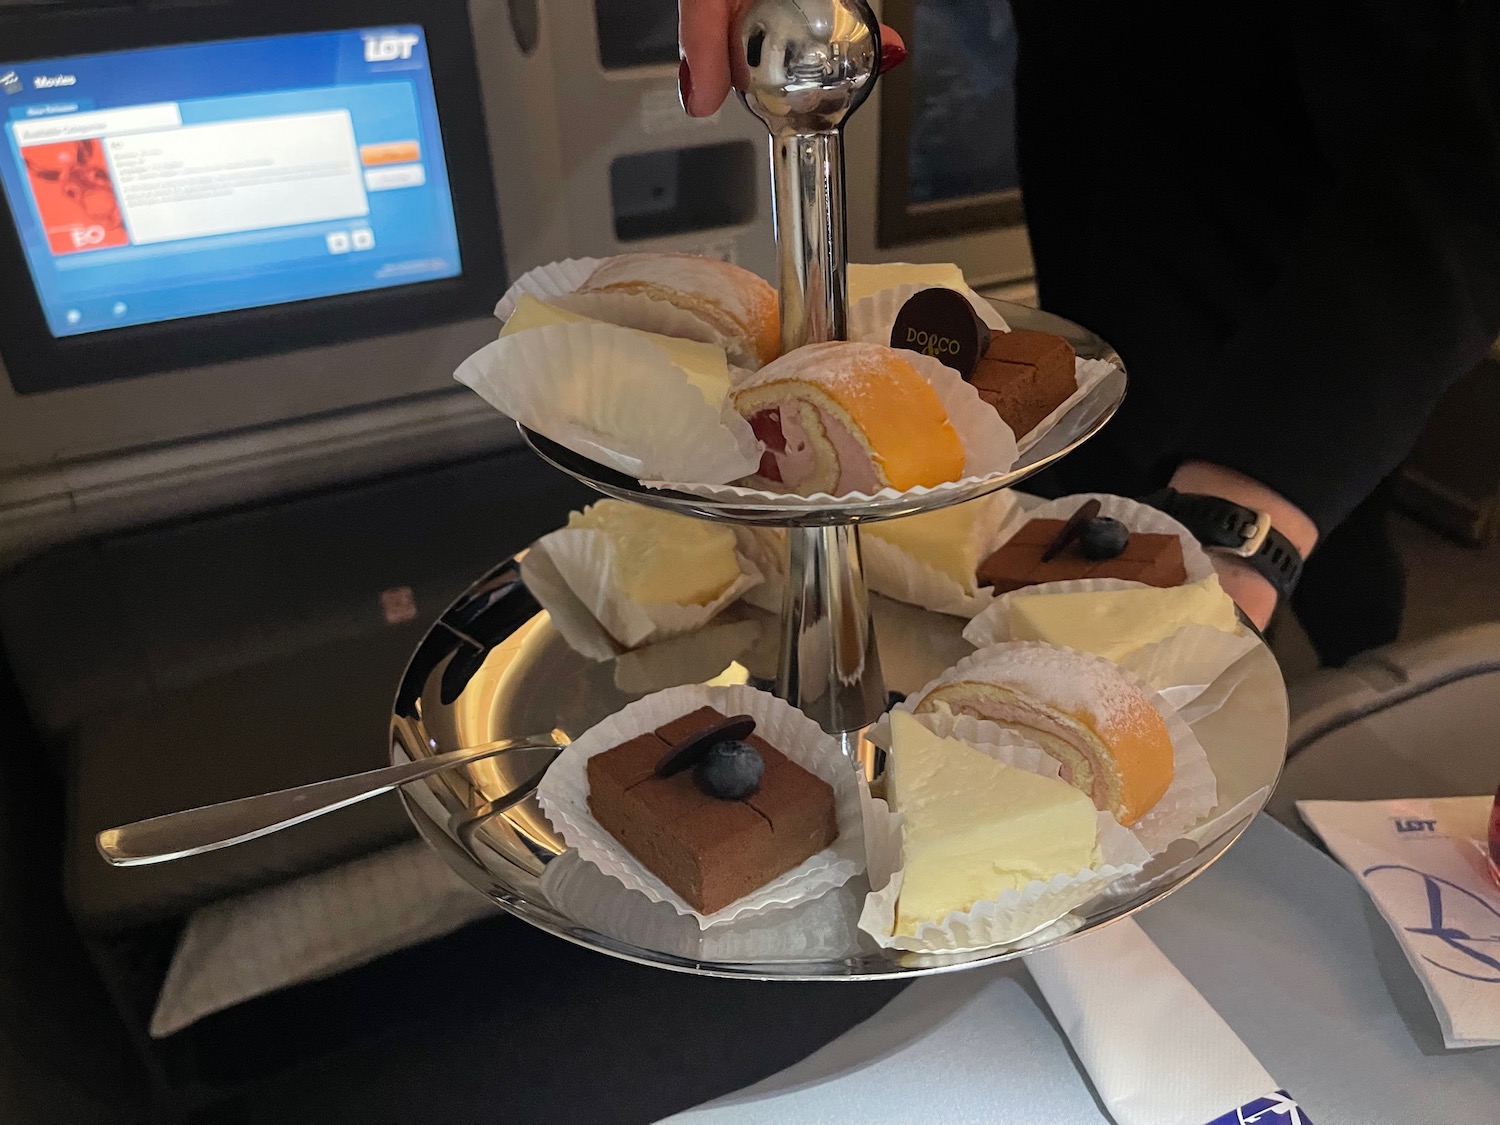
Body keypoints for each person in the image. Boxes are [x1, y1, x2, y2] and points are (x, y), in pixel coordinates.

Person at [677, 0, 1500, 665]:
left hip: (1375, 214)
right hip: (1114, 138)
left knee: (1324, 556)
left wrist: (1257, 506)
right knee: (1100, 466)